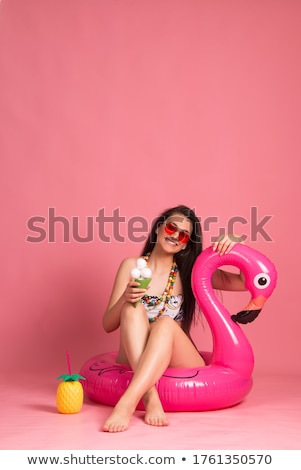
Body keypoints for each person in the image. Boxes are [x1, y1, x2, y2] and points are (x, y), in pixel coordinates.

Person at [102, 205, 246, 432]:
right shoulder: (131, 266)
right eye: (171, 227)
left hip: (177, 357)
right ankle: (150, 397)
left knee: (165, 324)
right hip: (133, 352)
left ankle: (126, 404)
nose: (175, 236)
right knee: (131, 309)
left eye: (183, 235)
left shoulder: (191, 271)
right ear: (159, 228)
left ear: (187, 243)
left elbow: (243, 282)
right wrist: (125, 299)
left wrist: (235, 241)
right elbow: (108, 325)